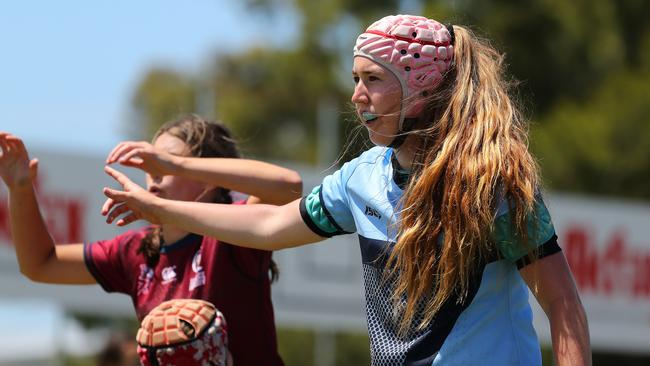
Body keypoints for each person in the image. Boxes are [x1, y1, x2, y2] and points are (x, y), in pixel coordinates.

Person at [99, 15, 591, 366]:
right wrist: (160, 207)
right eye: (355, 79)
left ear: (421, 90)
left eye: (373, 80)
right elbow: (270, 224)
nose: (356, 95)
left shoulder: (492, 186)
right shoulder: (362, 178)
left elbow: (563, 304)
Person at [0, 114, 300, 365]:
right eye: (149, 164)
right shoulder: (136, 252)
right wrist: (21, 188)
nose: (153, 173)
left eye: (164, 163)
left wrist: (175, 165)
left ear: (211, 178)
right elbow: (40, 264)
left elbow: (289, 187)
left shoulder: (234, 234)